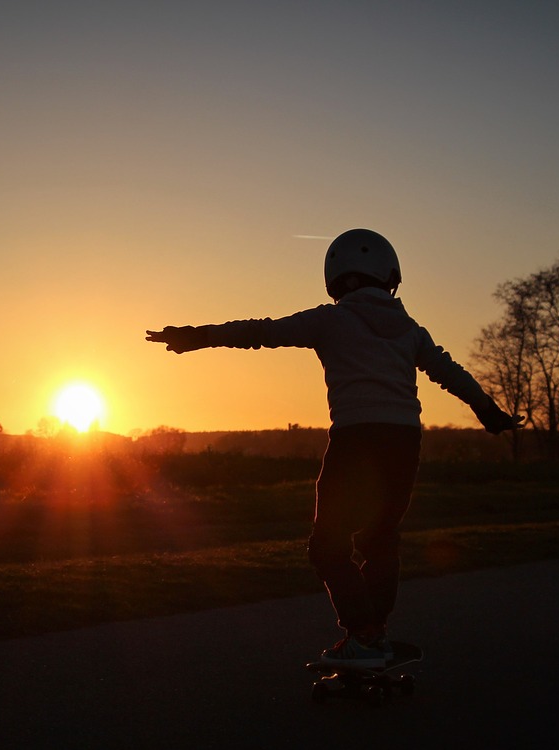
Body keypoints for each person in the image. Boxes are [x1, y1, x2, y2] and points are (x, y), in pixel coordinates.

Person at [145, 228, 523, 668]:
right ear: (389, 276)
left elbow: (261, 332)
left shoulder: (331, 319)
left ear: (336, 277)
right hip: (404, 442)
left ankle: (362, 635)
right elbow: (451, 373)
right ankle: (375, 633)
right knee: (380, 539)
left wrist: (198, 336)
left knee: (327, 545)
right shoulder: (410, 330)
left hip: (355, 440)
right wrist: (489, 413)